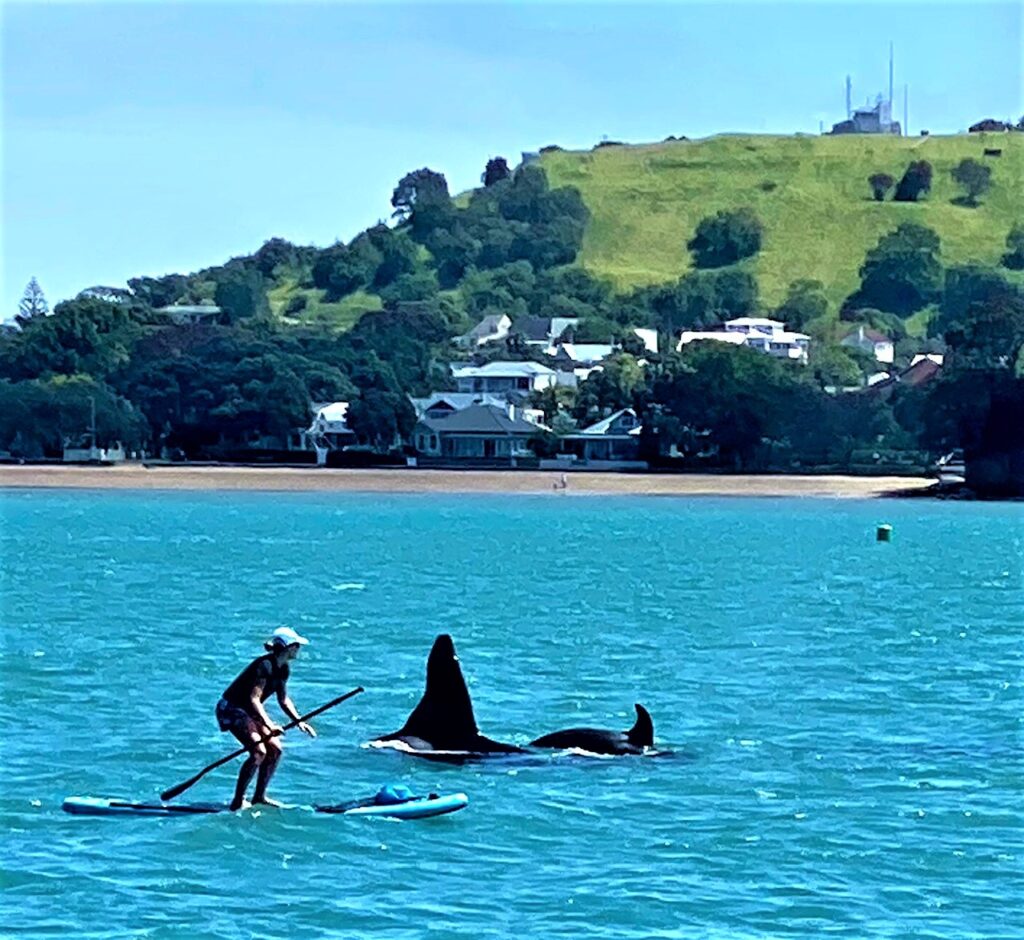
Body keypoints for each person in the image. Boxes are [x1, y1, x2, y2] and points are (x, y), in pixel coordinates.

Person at [216, 626, 317, 810]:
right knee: (258, 752)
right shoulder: (264, 666)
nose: (298, 651)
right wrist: (270, 726)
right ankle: (238, 800)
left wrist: (299, 721)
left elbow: (283, 700)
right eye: (296, 646)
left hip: (249, 710)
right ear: (288, 647)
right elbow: (253, 699)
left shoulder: (283, 669)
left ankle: (259, 797)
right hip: (232, 709)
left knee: (275, 750)